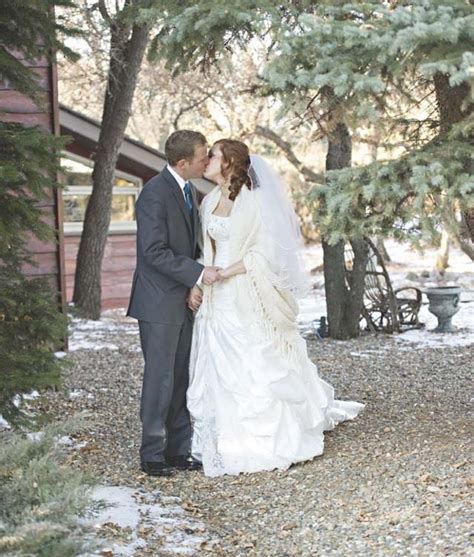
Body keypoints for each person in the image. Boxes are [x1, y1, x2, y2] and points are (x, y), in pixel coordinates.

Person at [187, 139, 364, 477]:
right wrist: (200, 281)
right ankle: (225, 438)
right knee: (219, 363)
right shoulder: (209, 201)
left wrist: (228, 272)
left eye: (214, 155)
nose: (207, 160)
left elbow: (263, 251)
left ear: (230, 163)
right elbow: (207, 251)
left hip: (244, 287)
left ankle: (266, 438)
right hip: (215, 294)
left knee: (256, 361)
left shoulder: (252, 201)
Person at [127, 130, 221, 477]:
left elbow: (186, 245)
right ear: (183, 162)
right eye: (202, 156)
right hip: (156, 303)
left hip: (181, 299)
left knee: (181, 376)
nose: (207, 160)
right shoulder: (154, 193)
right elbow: (153, 252)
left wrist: (191, 284)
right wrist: (198, 273)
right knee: (160, 379)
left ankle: (178, 450)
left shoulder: (188, 190)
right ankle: (152, 455)